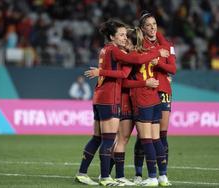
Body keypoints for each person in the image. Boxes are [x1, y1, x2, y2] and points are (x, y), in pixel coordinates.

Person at [75, 19, 168, 186]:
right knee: (109, 139)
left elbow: (124, 71)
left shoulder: (106, 50)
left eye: (126, 35)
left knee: (97, 138)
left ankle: (82, 173)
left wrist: (101, 71)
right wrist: (157, 53)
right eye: (121, 35)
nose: (125, 38)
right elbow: (135, 64)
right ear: (112, 36)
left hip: (100, 97)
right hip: (110, 97)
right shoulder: (115, 50)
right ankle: (106, 177)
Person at [133, 11, 176, 187]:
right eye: (148, 25)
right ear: (142, 28)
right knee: (143, 137)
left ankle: (161, 175)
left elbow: (172, 69)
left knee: (161, 136)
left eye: (155, 24)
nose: (152, 28)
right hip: (146, 90)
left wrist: (157, 62)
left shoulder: (166, 44)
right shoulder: (140, 44)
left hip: (163, 90)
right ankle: (138, 173)